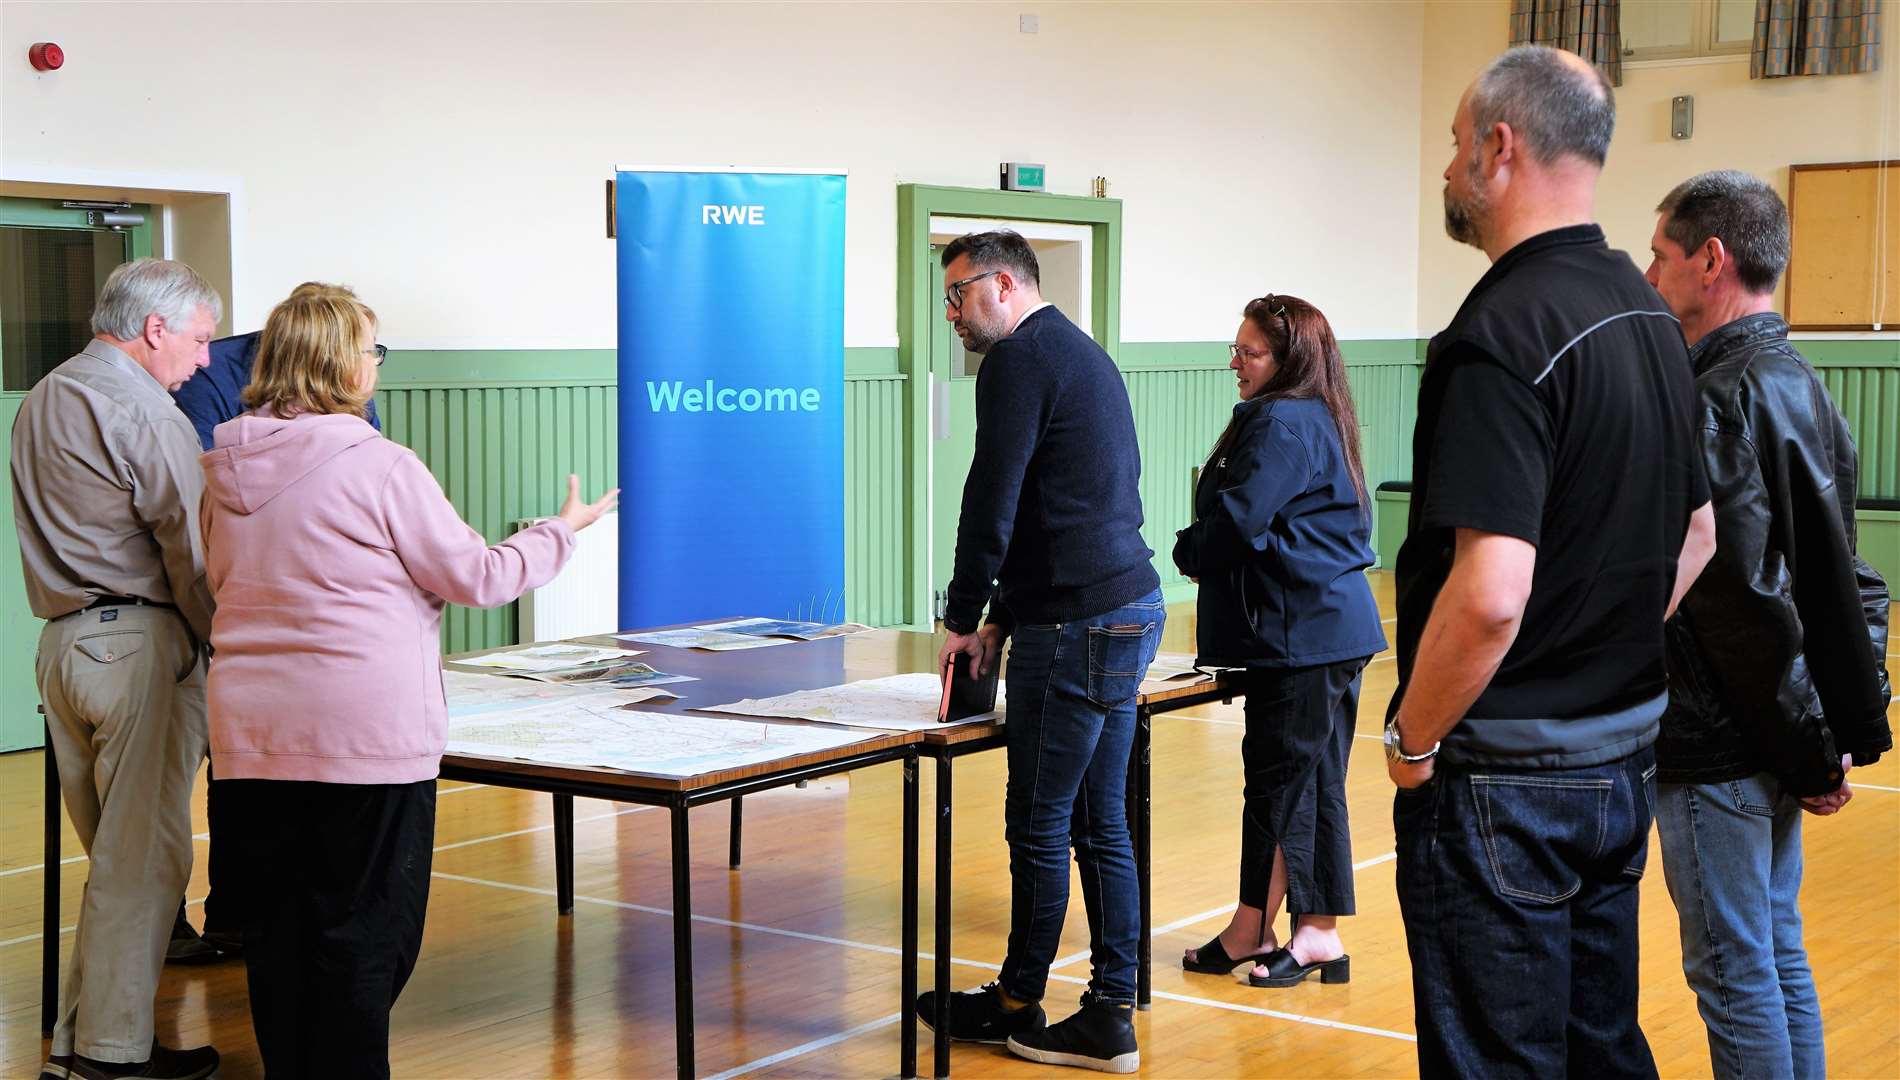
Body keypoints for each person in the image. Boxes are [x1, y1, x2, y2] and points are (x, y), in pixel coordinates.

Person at [1386, 45, 1717, 1078]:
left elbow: (1487, 599)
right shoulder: (1646, 314)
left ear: (1499, 146)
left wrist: (1410, 735)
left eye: (1451, 145)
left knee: (1499, 1058)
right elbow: (1698, 534)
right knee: (1597, 1046)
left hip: (1504, 781)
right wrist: (1597, 638)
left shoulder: (1499, 334)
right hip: (1619, 757)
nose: (1444, 171)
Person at [199, 289, 617, 1078]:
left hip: (250, 739)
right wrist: (561, 531)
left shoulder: (221, 466)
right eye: (372, 349)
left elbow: (218, 582)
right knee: (367, 942)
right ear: (339, 363)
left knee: (278, 940)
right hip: (363, 740)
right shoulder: (379, 464)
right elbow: (477, 575)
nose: (375, 364)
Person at [1643, 169, 1893, 1080]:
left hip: (1726, 740)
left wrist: (1805, 748)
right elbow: (1846, 580)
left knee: (1735, 969)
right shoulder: (1799, 380)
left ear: (1712, 262)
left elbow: (1742, 604)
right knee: (1775, 953)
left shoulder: (1718, 399)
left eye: (1662, 255)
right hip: (1778, 729)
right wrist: (1828, 734)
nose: (1649, 271)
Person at [915, 230, 1163, 1074]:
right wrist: (1005, 619)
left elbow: (995, 500)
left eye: (960, 294)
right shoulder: (1080, 353)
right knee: (1102, 825)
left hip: (1078, 627)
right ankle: (1108, 1011)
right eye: (946, 297)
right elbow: (1069, 509)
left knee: (1038, 823)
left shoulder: (1019, 361)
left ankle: (1023, 999)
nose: (952, 312)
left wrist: (962, 614)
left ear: (1007, 287)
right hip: (1126, 606)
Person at [12, 258, 223, 1080]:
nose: (205, 360)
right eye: (200, 340)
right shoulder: (144, 407)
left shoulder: (44, 395)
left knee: (118, 864)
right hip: (138, 648)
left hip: (64, 650)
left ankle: (81, 1050)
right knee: (144, 866)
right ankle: (110, 1059)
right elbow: (190, 550)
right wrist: (227, 646)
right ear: (156, 328)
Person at [1172, 294, 1385, 988]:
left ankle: (1272, 929)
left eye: (1250, 352)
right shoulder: (1315, 416)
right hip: (1322, 629)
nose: (1235, 362)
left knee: (1281, 787)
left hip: (1306, 633)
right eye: (1235, 348)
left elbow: (1239, 519)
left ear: (1287, 359)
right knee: (1304, 783)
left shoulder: (1283, 422)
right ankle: (1290, 930)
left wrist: (1188, 549)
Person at [165, 281, 380, 966]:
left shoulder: (346, 385)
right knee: (227, 774)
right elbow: (212, 492)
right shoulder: (211, 379)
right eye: (366, 350)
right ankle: (218, 920)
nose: (370, 365)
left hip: (299, 621)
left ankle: (246, 922)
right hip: (220, 605)